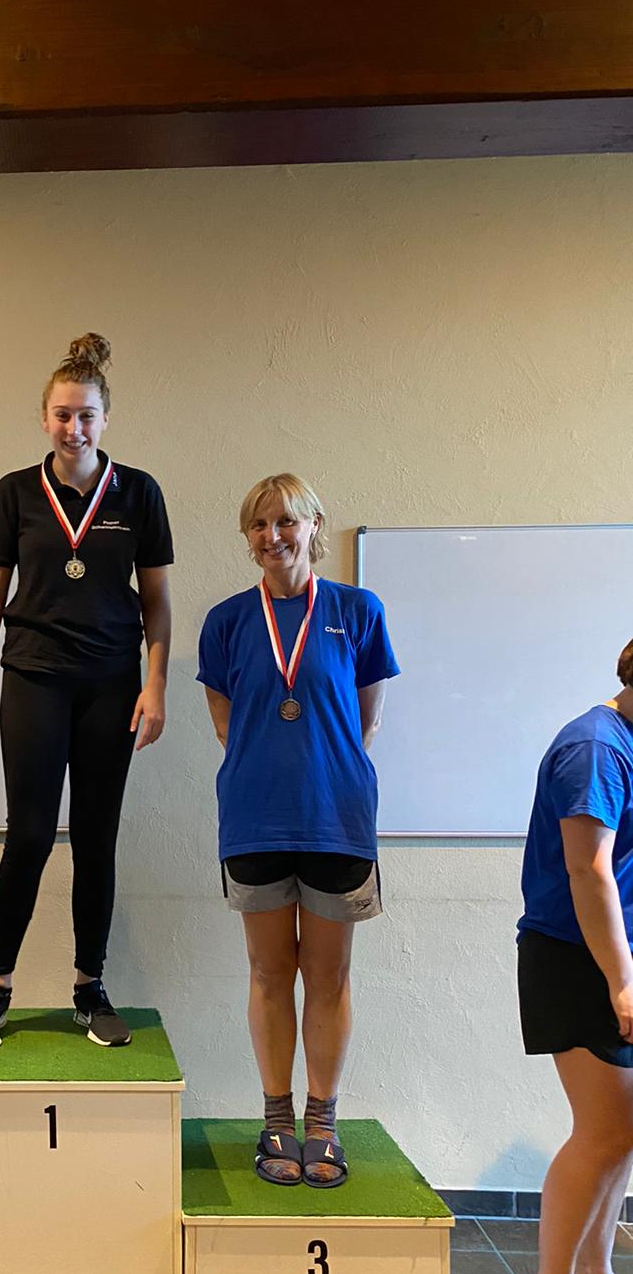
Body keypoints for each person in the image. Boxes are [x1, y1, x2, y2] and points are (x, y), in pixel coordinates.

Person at [0, 333, 173, 1051]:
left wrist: (154, 684)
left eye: (86, 416)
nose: (73, 428)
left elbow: (157, 603)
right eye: (62, 415)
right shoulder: (14, 492)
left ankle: (90, 987)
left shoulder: (139, 493)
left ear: (105, 418)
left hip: (112, 683)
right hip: (33, 676)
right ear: (44, 417)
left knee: (95, 838)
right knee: (27, 836)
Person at [197, 473, 398, 1187]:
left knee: (329, 976)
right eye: (259, 524)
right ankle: (277, 1120)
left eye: (286, 521)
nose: (272, 535)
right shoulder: (226, 621)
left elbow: (366, 719)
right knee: (269, 972)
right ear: (247, 536)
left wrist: (321, 771)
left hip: (337, 817)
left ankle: (323, 1123)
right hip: (255, 819)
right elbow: (226, 725)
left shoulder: (358, 610)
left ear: (314, 525)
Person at [516, 638, 633, 1274]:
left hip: (616, 958)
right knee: (605, 1129)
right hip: (576, 959)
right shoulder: (595, 749)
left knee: (626, 1127)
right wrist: (621, 983)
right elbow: (589, 872)